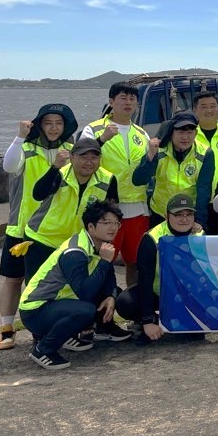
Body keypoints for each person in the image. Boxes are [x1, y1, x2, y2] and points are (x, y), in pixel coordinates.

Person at [0, 103, 77, 350]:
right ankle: (6, 330)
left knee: (53, 282)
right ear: (39, 125)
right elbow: (8, 166)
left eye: (59, 123)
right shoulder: (26, 149)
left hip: (54, 230)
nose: (53, 128)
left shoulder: (72, 151)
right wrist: (19, 137)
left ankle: (49, 329)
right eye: (48, 123)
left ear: (66, 126)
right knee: (14, 279)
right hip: (21, 229)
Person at [19, 200, 130, 370]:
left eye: (116, 223)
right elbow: (85, 292)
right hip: (36, 310)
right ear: (91, 227)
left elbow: (107, 277)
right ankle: (43, 349)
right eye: (106, 223)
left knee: (113, 293)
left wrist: (111, 296)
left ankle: (93, 331)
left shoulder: (100, 244)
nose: (113, 228)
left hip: (58, 303)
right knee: (85, 310)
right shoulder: (75, 252)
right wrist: (105, 261)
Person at [82, 82, 151, 289]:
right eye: (123, 98)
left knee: (135, 262)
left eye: (132, 99)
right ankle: (102, 311)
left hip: (138, 207)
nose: (128, 103)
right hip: (106, 207)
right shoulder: (93, 129)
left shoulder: (142, 134)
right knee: (102, 261)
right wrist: (102, 139)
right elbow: (83, 158)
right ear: (111, 102)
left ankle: (133, 308)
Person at [24, 137, 118, 282]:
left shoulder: (108, 179)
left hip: (78, 245)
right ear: (72, 157)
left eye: (94, 157)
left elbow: (111, 214)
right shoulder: (60, 173)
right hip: (43, 239)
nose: (89, 162)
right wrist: (55, 167)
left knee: (72, 289)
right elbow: (38, 194)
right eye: (83, 157)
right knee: (38, 288)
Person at [115, 193, 204, 342]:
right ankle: (154, 320)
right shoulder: (151, 239)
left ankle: (178, 317)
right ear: (166, 216)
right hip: (159, 293)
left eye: (189, 215)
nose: (184, 219)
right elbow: (145, 281)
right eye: (178, 215)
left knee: (195, 337)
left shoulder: (201, 234)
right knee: (125, 302)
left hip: (187, 295)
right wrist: (148, 320)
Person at [133, 112, 214, 237]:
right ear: (171, 133)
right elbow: (138, 180)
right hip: (160, 213)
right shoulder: (158, 150)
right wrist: (150, 156)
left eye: (189, 133)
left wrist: (199, 220)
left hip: (187, 217)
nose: (185, 137)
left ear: (196, 134)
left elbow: (204, 190)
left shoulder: (206, 154)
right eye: (180, 132)